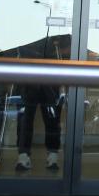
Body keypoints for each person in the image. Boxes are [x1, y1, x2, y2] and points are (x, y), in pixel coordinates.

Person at [14, 34, 68, 171]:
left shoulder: (57, 24)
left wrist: (60, 43)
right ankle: (23, 155)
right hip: (29, 75)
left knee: (52, 117)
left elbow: (67, 43)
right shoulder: (29, 26)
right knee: (25, 117)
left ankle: (52, 155)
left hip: (50, 76)